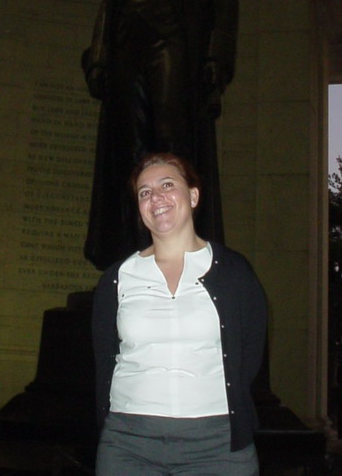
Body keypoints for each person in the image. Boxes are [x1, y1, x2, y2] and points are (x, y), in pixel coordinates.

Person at [82, 0, 238, 270]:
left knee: (173, 145)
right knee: (130, 150)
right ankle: (133, 250)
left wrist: (216, 58)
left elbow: (224, 0)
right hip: (128, 49)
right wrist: (98, 56)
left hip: (175, 45)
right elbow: (108, 3)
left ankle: (179, 246)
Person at [92, 152, 267, 476]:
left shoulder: (234, 272)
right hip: (128, 445)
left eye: (167, 185)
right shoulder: (118, 278)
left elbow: (251, 351)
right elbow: (105, 355)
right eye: (144, 192)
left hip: (218, 445)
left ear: (194, 195)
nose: (156, 197)